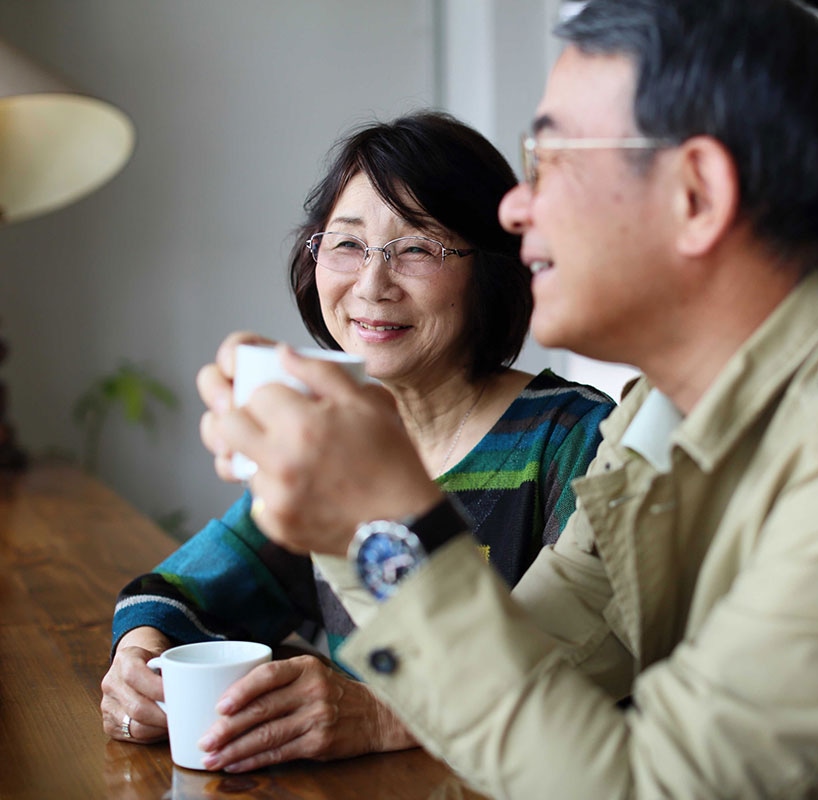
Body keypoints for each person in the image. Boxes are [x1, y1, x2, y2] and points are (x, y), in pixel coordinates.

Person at [199, 0, 818, 796]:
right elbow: (540, 658)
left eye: (549, 159)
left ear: (696, 195)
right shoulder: (657, 417)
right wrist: (362, 526)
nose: (515, 209)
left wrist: (386, 522)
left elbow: (641, 784)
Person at [100, 111, 615, 772]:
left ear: (492, 269)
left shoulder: (574, 435)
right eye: (347, 245)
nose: (372, 285)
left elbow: (581, 673)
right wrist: (137, 658)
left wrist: (380, 712)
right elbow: (185, 589)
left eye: (419, 247)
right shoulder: (332, 439)